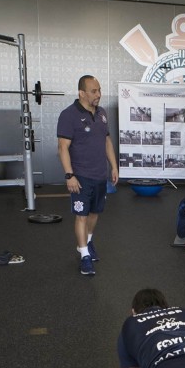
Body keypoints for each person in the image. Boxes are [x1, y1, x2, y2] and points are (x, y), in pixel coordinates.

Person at [57, 75, 119, 276]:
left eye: (99, 90)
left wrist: (114, 166)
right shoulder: (69, 115)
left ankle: (88, 241)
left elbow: (107, 141)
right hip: (81, 176)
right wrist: (69, 175)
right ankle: (84, 255)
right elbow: (62, 148)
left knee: (95, 213)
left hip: (100, 174)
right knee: (81, 216)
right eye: (94, 91)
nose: (98, 94)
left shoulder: (101, 113)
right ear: (81, 93)